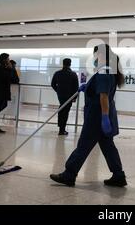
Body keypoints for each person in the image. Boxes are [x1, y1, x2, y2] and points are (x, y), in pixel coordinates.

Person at [50, 44, 127, 187]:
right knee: (108, 146)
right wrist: (88, 88)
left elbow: (104, 96)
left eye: (96, 55)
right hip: (101, 115)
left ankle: (69, 174)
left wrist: (104, 117)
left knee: (83, 145)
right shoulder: (109, 70)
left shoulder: (104, 71)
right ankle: (118, 175)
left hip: (97, 116)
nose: (94, 58)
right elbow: (101, 92)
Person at [51, 58, 79, 136]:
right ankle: (62, 130)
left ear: (63, 63)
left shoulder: (57, 73)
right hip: (69, 96)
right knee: (65, 112)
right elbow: (76, 87)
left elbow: (53, 84)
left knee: (61, 110)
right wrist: (74, 97)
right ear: (70, 64)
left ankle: (61, 128)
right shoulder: (73, 74)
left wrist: (58, 91)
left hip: (60, 96)